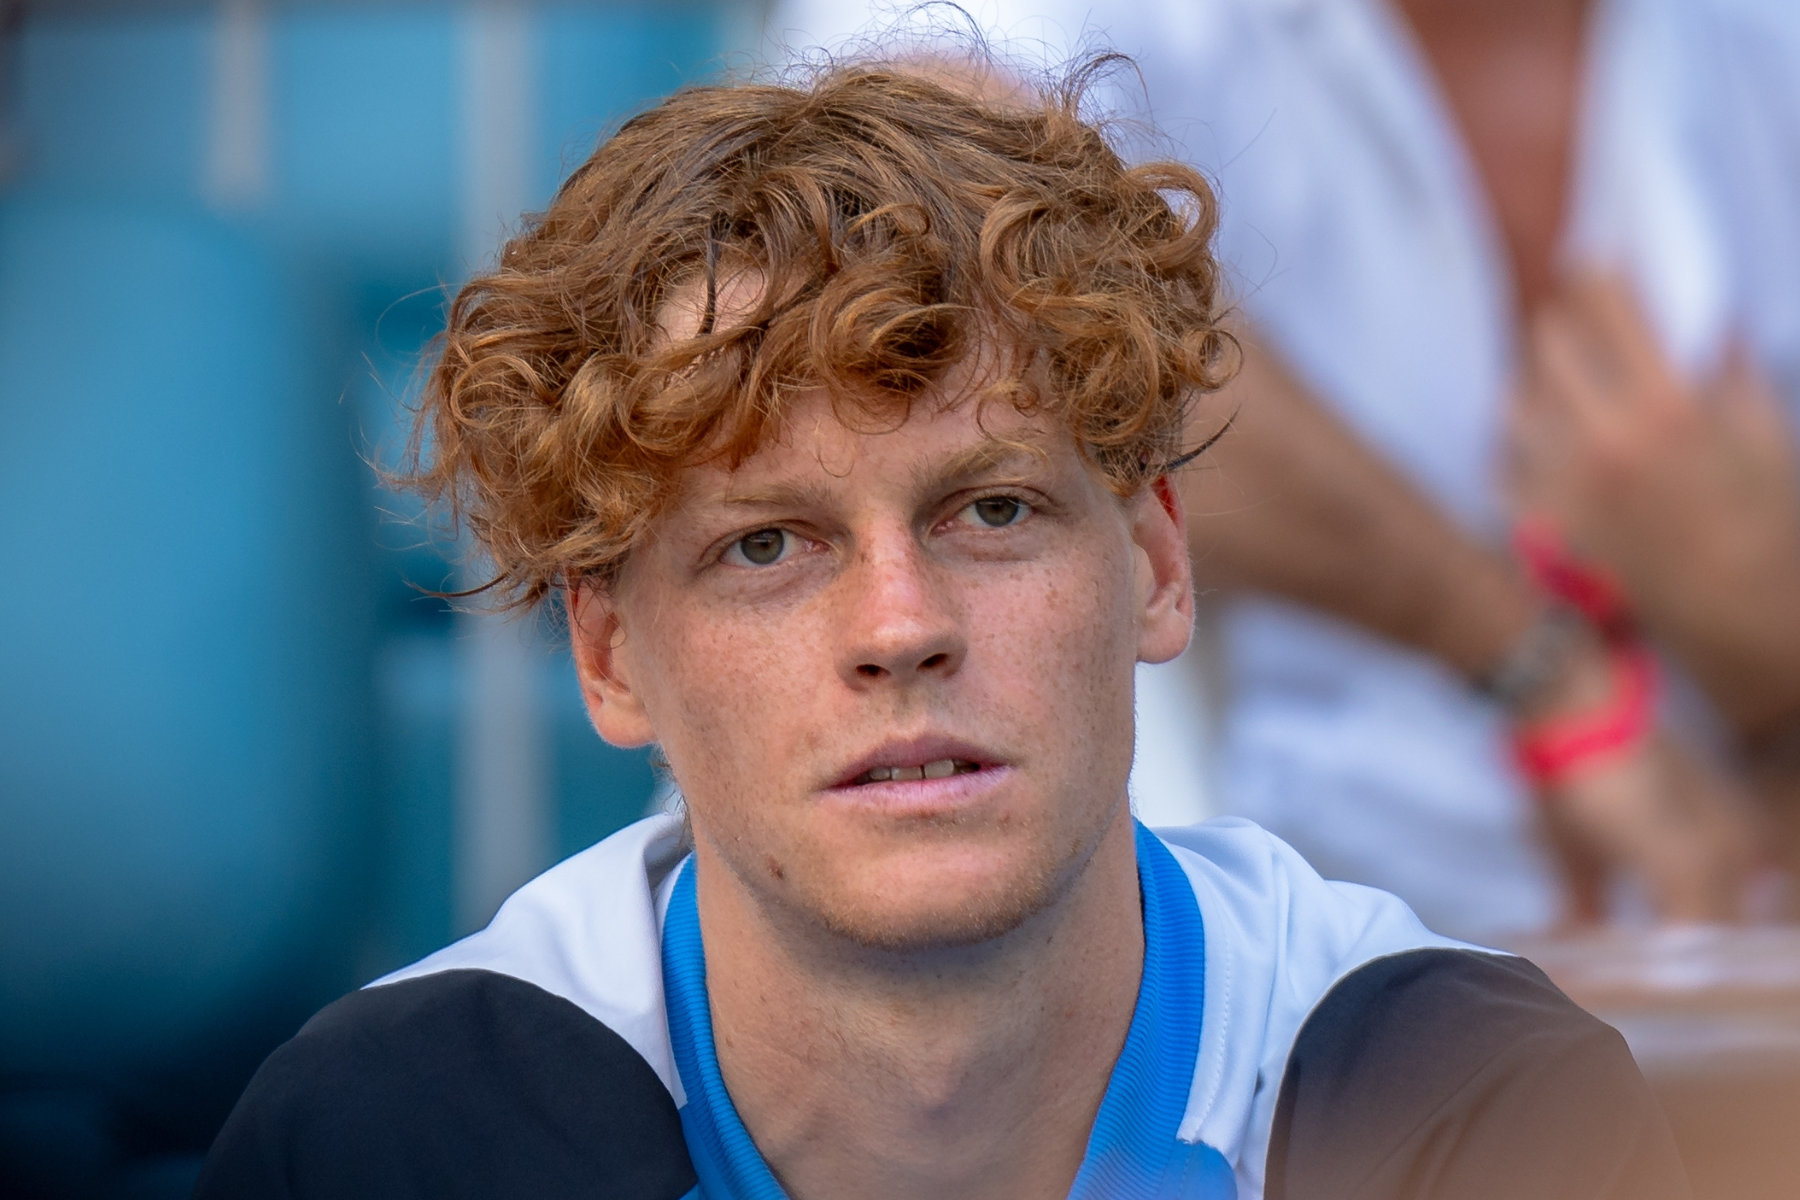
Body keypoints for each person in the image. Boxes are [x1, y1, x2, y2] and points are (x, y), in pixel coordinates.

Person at [196, 59, 1686, 1200]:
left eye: (992, 511)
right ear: (608, 657)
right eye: (766, 545)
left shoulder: (1463, 1110)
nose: (900, 626)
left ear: (1158, 565)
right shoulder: (393, 1141)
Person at [771, 0, 1800, 937]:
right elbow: (918, 201)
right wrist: (1525, 652)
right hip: (1202, 987)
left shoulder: (1758, 44)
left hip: (1718, 943)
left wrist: (1769, 644)